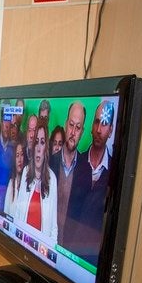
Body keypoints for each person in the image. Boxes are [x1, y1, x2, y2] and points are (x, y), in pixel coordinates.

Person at [62, 100, 116, 264]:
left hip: (92, 265)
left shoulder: (114, 173)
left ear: (111, 130)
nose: (99, 130)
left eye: (105, 124)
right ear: (91, 126)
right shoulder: (76, 162)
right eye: (97, 122)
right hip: (65, 256)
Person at [11, 122, 58, 241]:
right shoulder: (26, 172)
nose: (38, 148)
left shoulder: (52, 179)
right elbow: (17, 214)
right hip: (22, 245)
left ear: (46, 148)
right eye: (36, 141)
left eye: (42, 142)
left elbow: (53, 228)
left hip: (41, 252)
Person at [50, 101, 85, 240]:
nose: (73, 132)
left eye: (78, 127)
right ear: (65, 125)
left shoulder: (86, 170)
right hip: (45, 245)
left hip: (70, 251)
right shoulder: (50, 162)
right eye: (71, 125)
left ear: (82, 132)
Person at [3, 138, 26, 214]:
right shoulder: (11, 183)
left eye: (22, 155)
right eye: (17, 155)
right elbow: (6, 212)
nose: (20, 159)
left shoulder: (28, 184)